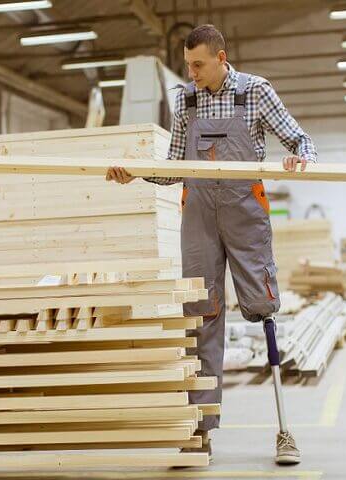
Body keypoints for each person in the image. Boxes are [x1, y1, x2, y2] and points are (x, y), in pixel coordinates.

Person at [105, 24, 316, 464]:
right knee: (201, 315)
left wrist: (300, 158)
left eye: (198, 65)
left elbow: (300, 139)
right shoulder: (185, 99)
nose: (191, 73)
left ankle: (284, 431)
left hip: (245, 213)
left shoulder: (256, 92)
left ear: (222, 58)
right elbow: (175, 168)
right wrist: (137, 171)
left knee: (263, 306)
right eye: (187, 65)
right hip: (199, 214)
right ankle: (199, 431)